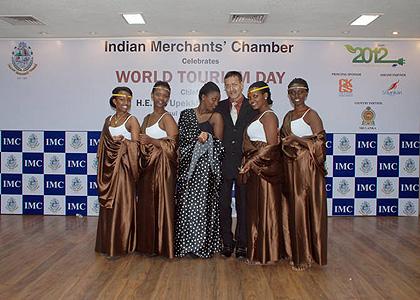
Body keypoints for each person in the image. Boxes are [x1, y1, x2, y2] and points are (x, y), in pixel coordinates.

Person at [280, 78, 327, 271]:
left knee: (306, 209)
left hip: (308, 170)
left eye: (300, 92)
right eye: (292, 92)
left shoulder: (311, 115)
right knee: (293, 208)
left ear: (306, 93)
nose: (296, 96)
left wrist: (297, 140)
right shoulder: (288, 116)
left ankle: (307, 256)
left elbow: (320, 145)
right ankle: (294, 251)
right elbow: (283, 140)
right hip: (291, 168)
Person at [238, 81, 287, 265]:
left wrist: (252, 161)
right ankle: (259, 252)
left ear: (265, 96)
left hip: (265, 170)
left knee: (267, 209)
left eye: (255, 96)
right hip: (256, 169)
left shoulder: (269, 116)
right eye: (250, 97)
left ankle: (269, 254)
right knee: (256, 211)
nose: (252, 100)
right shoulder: (259, 116)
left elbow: (272, 147)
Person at [175, 81, 224, 258]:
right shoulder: (186, 114)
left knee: (203, 209)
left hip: (206, 174)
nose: (215, 103)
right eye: (213, 99)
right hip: (188, 171)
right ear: (203, 97)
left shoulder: (216, 117)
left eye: (218, 100)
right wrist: (195, 139)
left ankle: (201, 247)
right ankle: (185, 246)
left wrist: (208, 137)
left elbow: (219, 146)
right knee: (186, 208)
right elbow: (181, 142)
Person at [215, 71, 258, 259]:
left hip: (244, 164)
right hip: (223, 164)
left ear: (242, 84)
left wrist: (251, 158)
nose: (231, 89)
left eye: (234, 84)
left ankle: (242, 243)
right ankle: (227, 242)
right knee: (223, 206)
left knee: (243, 205)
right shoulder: (220, 107)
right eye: (227, 85)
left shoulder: (253, 107)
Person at [95, 86, 141, 258]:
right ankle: (107, 243)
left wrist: (124, 143)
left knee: (122, 205)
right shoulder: (108, 120)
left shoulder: (132, 120)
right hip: (109, 170)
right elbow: (102, 146)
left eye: (129, 99)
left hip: (124, 169)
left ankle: (122, 244)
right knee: (109, 206)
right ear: (114, 101)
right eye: (122, 99)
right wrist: (110, 145)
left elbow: (137, 147)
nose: (126, 102)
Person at [136, 81, 178, 258]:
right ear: (152, 95)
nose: (161, 98)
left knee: (162, 204)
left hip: (162, 169)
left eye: (165, 95)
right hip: (148, 169)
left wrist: (152, 141)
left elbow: (174, 145)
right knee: (147, 204)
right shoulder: (146, 118)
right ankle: (148, 245)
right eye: (158, 94)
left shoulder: (167, 118)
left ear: (168, 99)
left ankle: (162, 245)